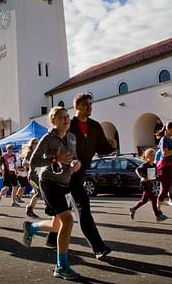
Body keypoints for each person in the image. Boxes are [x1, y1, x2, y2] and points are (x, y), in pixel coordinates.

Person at [46, 92, 115, 260]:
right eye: (86, 105)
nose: (89, 107)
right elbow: (53, 139)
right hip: (61, 174)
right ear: (77, 106)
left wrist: (112, 146)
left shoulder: (95, 126)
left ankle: (98, 248)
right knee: (64, 210)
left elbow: (102, 148)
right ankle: (53, 238)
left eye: (91, 104)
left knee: (82, 208)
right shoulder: (69, 123)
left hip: (78, 175)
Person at [21, 106, 82, 280]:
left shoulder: (71, 137)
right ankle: (61, 266)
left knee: (57, 225)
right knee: (68, 220)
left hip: (65, 183)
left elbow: (74, 157)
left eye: (67, 116)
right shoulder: (47, 138)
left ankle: (30, 227)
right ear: (53, 120)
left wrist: (75, 164)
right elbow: (33, 162)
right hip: (48, 182)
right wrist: (55, 159)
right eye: (62, 117)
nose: (66, 119)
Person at [128, 149, 167, 222]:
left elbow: (155, 174)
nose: (153, 157)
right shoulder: (144, 165)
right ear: (146, 156)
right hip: (145, 185)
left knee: (144, 200)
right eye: (151, 155)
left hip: (150, 184)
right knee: (153, 199)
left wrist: (159, 174)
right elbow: (137, 170)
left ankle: (133, 208)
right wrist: (141, 177)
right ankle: (157, 215)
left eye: (154, 155)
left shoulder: (155, 165)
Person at [154, 123, 172, 207]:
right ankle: (161, 201)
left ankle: (166, 199)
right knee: (165, 185)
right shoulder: (159, 152)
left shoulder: (171, 140)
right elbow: (157, 161)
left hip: (171, 164)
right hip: (163, 167)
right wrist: (157, 170)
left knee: (169, 184)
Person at [22, 138, 42, 218]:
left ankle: (30, 208)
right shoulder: (29, 153)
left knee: (41, 192)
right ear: (31, 144)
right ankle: (29, 208)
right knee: (39, 192)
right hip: (32, 176)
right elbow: (24, 163)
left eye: (38, 143)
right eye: (35, 143)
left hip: (39, 175)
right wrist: (32, 164)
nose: (36, 144)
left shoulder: (39, 153)